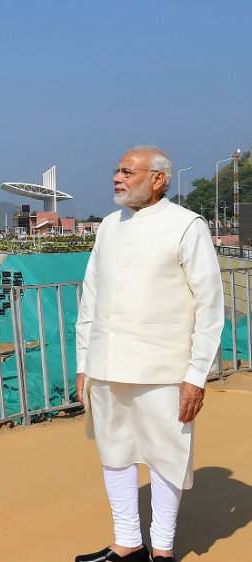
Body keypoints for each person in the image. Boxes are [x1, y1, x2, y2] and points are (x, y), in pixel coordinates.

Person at [74, 146, 224, 562]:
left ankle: (162, 548)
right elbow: (91, 297)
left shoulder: (185, 225)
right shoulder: (107, 226)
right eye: (116, 171)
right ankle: (127, 543)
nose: (117, 178)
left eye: (127, 171)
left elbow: (209, 305)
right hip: (106, 363)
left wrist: (196, 374)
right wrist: (83, 362)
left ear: (157, 179)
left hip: (164, 368)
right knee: (115, 454)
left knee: (166, 457)